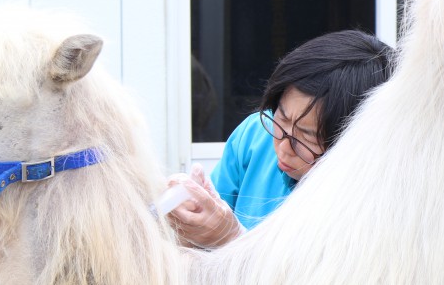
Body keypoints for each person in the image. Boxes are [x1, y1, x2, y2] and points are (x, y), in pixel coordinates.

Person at [169, 29, 394, 249]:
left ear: (353, 146)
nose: (283, 149)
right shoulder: (255, 136)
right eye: (281, 118)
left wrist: (230, 238)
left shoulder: (377, 205)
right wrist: (188, 220)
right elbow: (202, 238)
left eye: (306, 137)